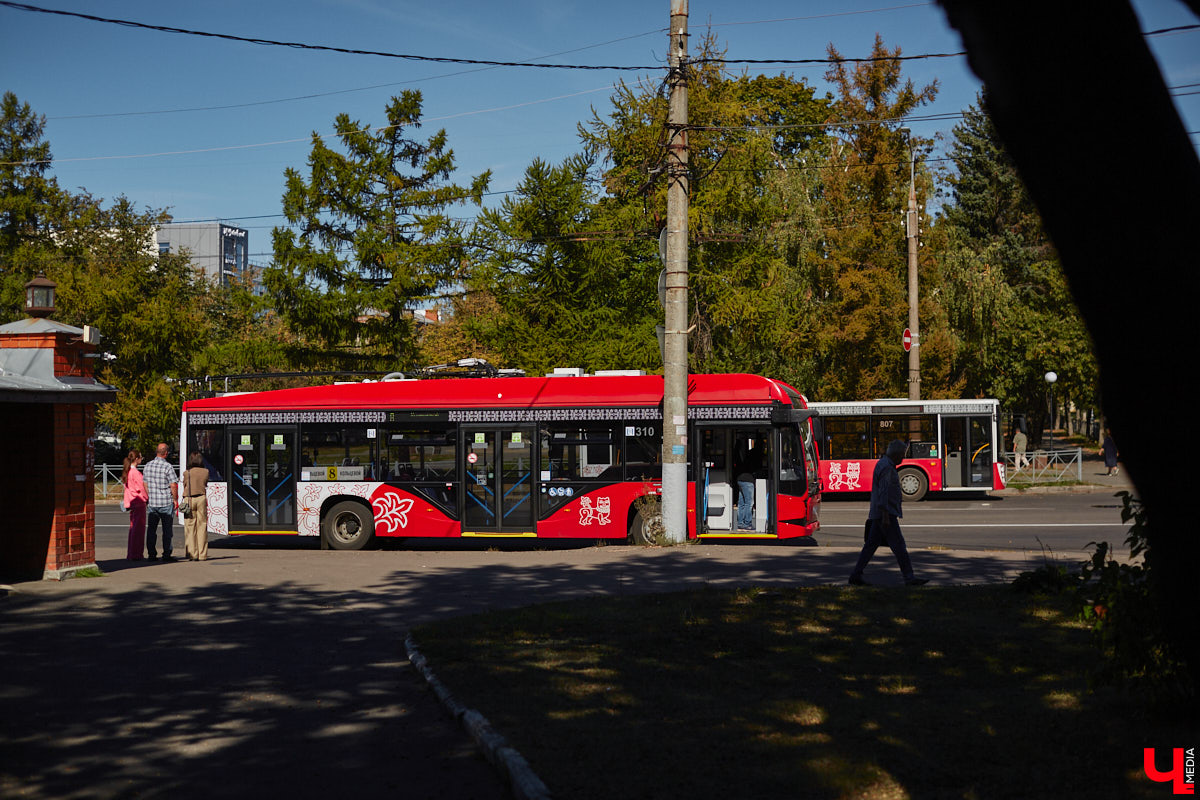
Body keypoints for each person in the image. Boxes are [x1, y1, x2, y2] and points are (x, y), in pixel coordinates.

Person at [849, 439, 928, 587]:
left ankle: (856, 574)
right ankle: (909, 578)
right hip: (885, 514)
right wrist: (885, 515)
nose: (903, 458)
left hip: (880, 514)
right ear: (896, 454)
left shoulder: (883, 464)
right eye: (902, 455)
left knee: (871, 545)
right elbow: (884, 492)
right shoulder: (887, 468)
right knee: (899, 546)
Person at [143, 442, 180, 562]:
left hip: (153, 503)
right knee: (167, 531)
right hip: (165, 502)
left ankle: (151, 554)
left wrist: (150, 495)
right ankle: (166, 554)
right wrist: (175, 499)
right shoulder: (168, 467)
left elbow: (145, 484)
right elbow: (173, 485)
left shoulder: (148, 465)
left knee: (151, 530)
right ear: (166, 453)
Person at [182, 451, 209, 561]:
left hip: (189, 499)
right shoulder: (206, 471)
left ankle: (192, 553)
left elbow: (185, 484)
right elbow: (205, 483)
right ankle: (202, 554)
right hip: (201, 498)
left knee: (190, 526)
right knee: (202, 526)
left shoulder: (187, 473)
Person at [122, 449, 148, 561]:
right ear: (136, 459)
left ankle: (131, 553)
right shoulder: (136, 473)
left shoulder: (127, 472)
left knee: (133, 528)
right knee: (139, 530)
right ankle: (137, 554)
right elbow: (141, 488)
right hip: (139, 502)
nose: (141, 459)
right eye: (141, 457)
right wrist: (147, 498)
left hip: (132, 502)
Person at [735, 440, 763, 531]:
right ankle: (747, 523)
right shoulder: (758, 455)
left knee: (741, 503)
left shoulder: (749, 454)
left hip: (740, 479)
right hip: (748, 480)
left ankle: (740, 523)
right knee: (749, 503)